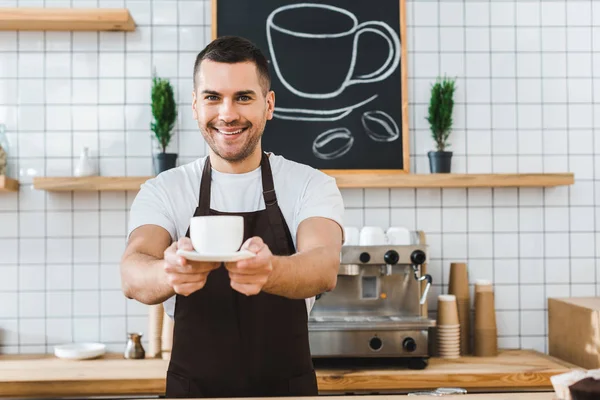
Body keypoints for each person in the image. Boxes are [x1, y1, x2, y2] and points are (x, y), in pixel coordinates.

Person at [120, 36, 345, 398]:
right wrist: (170, 271)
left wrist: (271, 271)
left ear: (268, 105)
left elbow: (323, 265)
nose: (227, 113)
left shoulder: (310, 185)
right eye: (212, 97)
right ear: (195, 105)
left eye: (243, 97)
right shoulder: (165, 189)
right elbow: (132, 271)